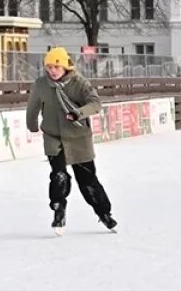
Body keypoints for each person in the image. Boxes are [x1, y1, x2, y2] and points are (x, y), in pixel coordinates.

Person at [25, 47, 117, 234]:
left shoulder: (79, 83)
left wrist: (78, 113)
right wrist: (32, 125)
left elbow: (95, 103)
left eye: (56, 66)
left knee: (88, 181)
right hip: (53, 137)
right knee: (59, 176)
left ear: (66, 66)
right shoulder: (41, 84)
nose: (53, 71)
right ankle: (59, 209)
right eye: (49, 67)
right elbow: (33, 107)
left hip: (78, 138)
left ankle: (104, 213)